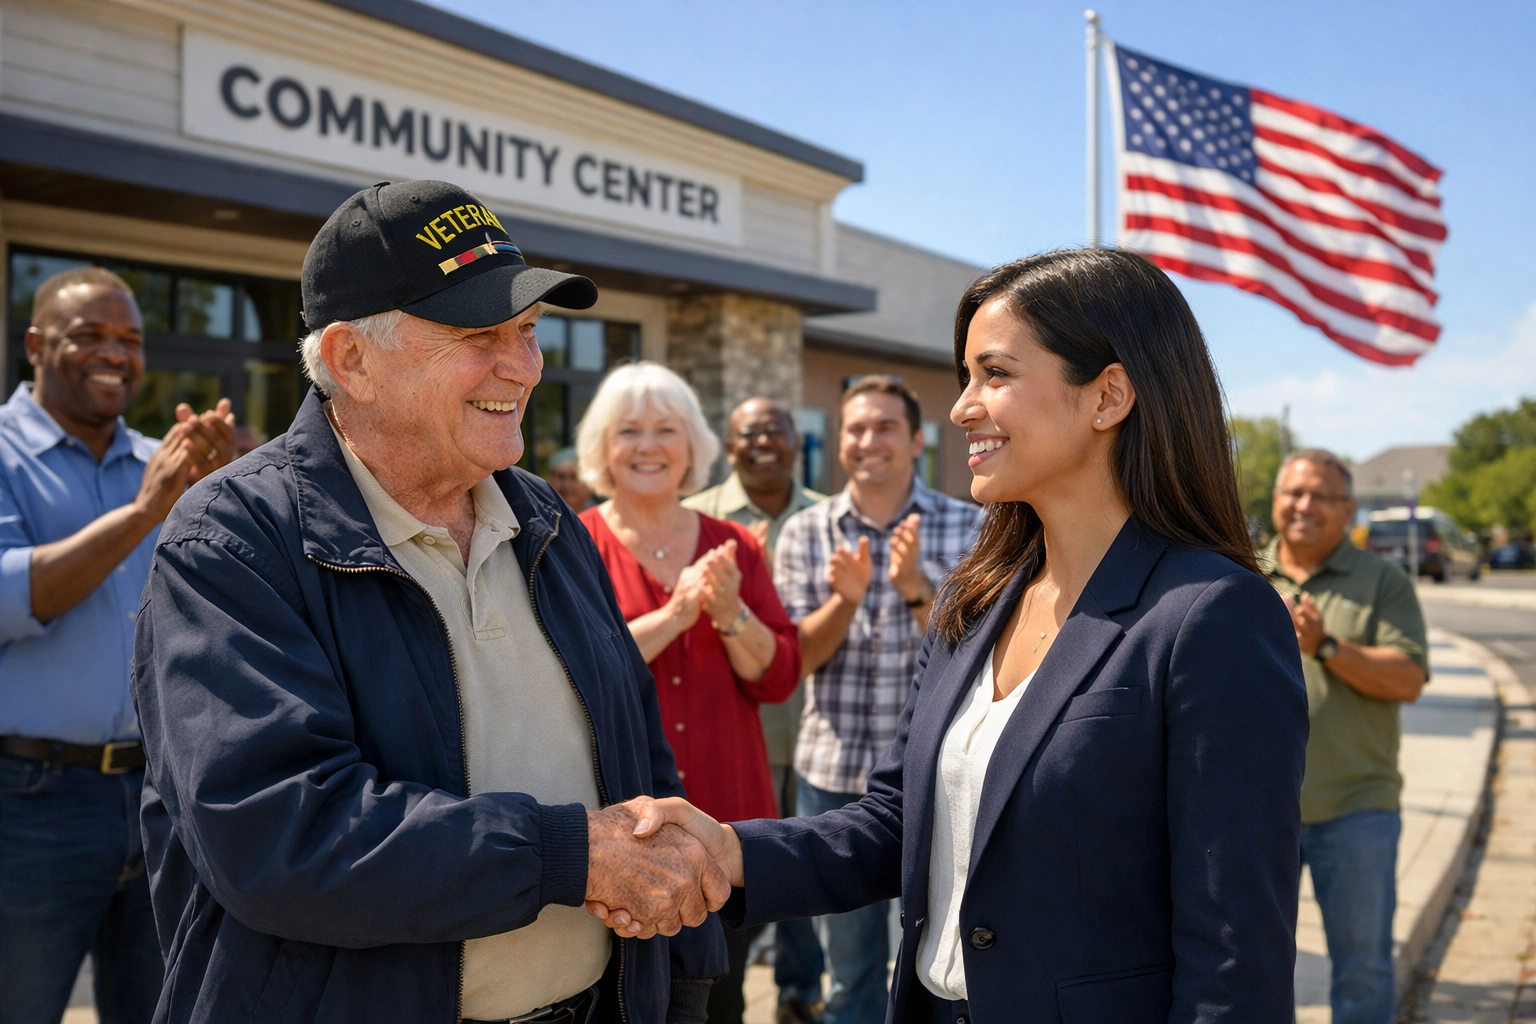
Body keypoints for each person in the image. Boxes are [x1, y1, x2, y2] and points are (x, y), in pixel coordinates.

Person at [596, 249, 1312, 1023]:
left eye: (995, 374)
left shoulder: (1213, 616)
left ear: (1108, 395)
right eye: (966, 376)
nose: (963, 407)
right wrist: (727, 851)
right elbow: (900, 823)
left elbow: (1235, 958)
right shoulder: (973, 603)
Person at [131, 181, 727, 1024]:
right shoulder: (233, 542)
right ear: (351, 361)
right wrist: (569, 855)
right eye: (479, 334)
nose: (523, 366)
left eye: (525, 331)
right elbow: (277, 834)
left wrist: (683, 987)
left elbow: (641, 769)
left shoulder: (544, 517)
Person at [0, 267, 235, 1024]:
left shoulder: (160, 463)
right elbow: (13, 598)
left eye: (130, 340)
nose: (116, 354)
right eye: (90, 336)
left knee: (165, 1009)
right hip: (30, 801)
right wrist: (143, 514)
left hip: (159, 797)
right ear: (35, 345)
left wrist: (235, 484)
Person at [576, 365, 802, 1024]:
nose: (648, 446)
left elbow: (778, 677)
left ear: (693, 446)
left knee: (723, 1002)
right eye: (630, 431)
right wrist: (675, 616)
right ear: (603, 447)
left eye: (666, 429)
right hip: (619, 832)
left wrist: (729, 612)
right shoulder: (571, 543)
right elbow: (575, 672)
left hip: (728, 823)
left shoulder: (732, 546)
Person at [768, 375, 982, 1024]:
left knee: (945, 964)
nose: (868, 441)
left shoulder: (975, 526)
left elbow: (982, 665)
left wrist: (919, 590)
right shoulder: (807, 531)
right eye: (856, 429)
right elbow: (795, 661)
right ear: (840, 444)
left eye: (886, 426)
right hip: (834, 776)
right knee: (852, 970)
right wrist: (846, 600)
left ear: (918, 440)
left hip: (941, 782)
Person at [1261, 448, 1428, 1024]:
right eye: (1294, 493)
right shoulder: (1242, 573)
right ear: (1276, 502)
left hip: (1357, 808)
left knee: (1362, 970)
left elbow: (1408, 678)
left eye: (1322, 496)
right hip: (1257, 813)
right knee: (1250, 967)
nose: (1305, 506)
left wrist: (1326, 646)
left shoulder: (1382, 580)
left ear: (1349, 508)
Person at [683, 396, 826, 1024]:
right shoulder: (697, 521)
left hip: (815, 725)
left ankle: (799, 991)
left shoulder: (827, 517)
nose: (763, 441)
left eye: (775, 428)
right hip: (741, 736)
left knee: (806, 868)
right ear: (729, 444)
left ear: (796, 440)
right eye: (748, 433)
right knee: (751, 874)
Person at [547, 445, 595, 510]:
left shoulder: (603, 517)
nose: (566, 485)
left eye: (574, 477)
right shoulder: (541, 517)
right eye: (561, 477)